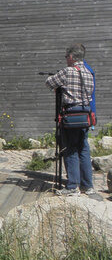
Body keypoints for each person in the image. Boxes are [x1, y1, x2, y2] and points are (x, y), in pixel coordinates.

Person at [45, 43, 95, 196]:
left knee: (70, 149)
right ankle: (87, 185)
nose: (66, 59)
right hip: (85, 114)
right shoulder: (88, 73)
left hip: (71, 115)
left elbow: (49, 82)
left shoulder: (67, 71)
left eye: (67, 56)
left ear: (72, 57)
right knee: (84, 149)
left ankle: (72, 186)